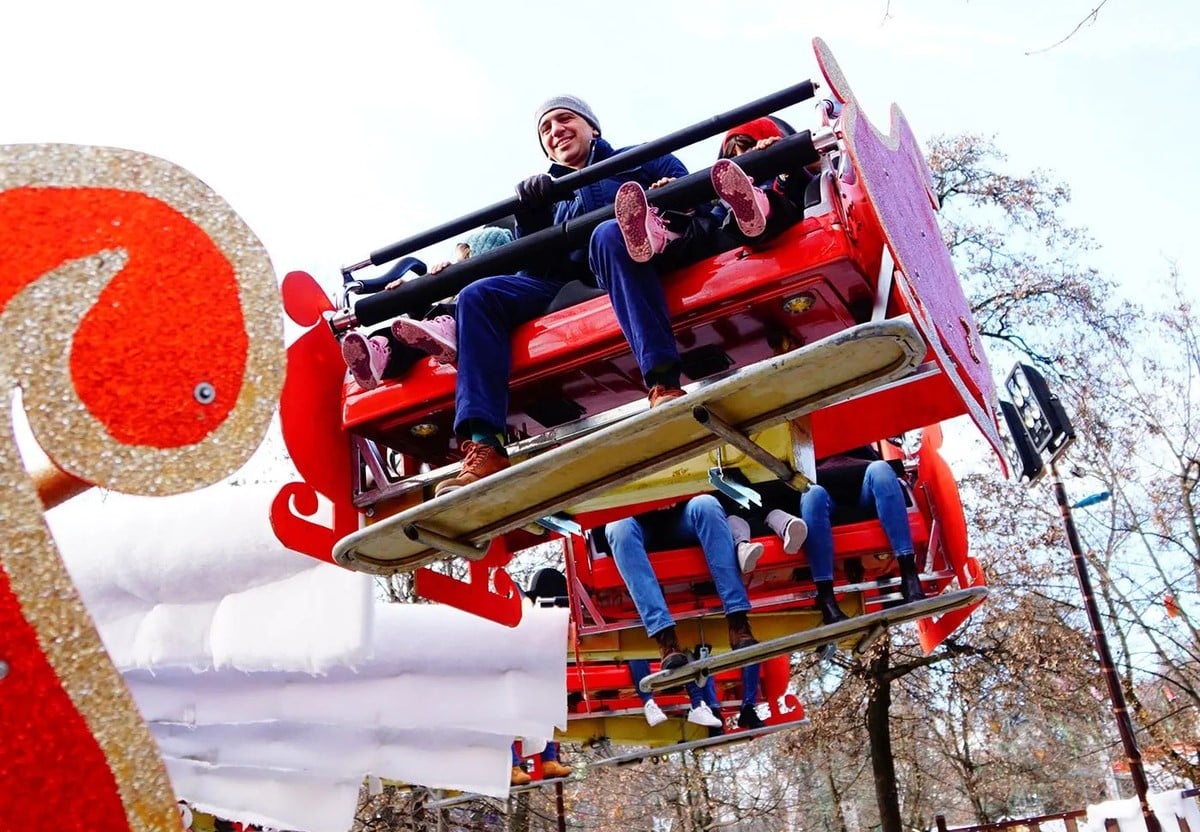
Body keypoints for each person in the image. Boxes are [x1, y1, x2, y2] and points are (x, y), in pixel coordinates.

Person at [435, 96, 693, 495]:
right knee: (477, 296)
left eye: (565, 119)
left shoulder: (639, 159)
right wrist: (533, 215)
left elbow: (684, 188)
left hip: (627, 259)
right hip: (564, 280)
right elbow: (535, 268)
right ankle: (485, 444)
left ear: (593, 128)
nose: (556, 131)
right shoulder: (549, 193)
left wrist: (665, 194)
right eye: (546, 129)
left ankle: (662, 382)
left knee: (609, 232)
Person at [613, 115, 815, 265]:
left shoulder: (786, 172)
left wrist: (780, 154)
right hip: (732, 234)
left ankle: (758, 205)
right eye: (732, 154)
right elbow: (712, 222)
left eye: (747, 146)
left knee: (774, 202)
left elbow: (798, 183)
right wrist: (678, 204)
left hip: (780, 219)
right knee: (700, 230)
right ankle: (664, 236)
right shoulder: (725, 198)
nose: (741, 156)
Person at [340, 225, 514, 389]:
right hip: (436, 334)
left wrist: (453, 278)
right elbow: (421, 319)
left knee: (454, 309)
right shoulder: (453, 295)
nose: (456, 264)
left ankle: (438, 332)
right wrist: (409, 292)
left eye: (464, 259)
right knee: (402, 333)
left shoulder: (488, 291)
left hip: (467, 326)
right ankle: (379, 352)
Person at [604, 495, 756, 672]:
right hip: (637, 522)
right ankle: (666, 640)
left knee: (707, 504)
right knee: (618, 528)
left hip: (682, 515)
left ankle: (738, 622)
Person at [800, 446, 926, 617]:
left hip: (864, 488)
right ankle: (826, 596)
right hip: (823, 494)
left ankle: (909, 575)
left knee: (880, 468)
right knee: (812, 493)